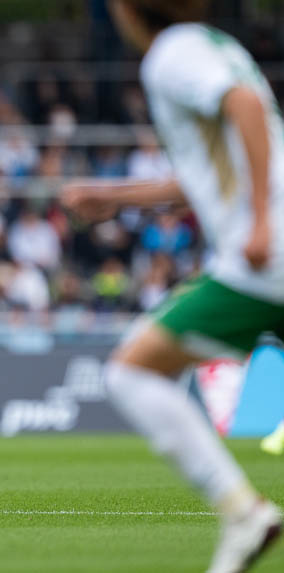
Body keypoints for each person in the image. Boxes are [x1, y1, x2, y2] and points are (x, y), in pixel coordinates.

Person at [62, 2, 282, 572]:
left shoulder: (172, 53)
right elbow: (203, 176)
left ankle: (243, 512)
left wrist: (261, 220)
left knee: (132, 372)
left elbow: (246, 105)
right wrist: (113, 197)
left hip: (267, 259)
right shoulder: (212, 45)